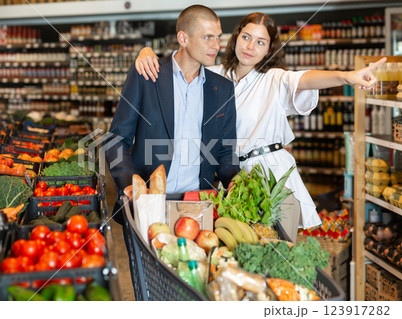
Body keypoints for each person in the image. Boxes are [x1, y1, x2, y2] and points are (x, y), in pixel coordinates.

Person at [134, 12, 386, 232]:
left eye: (260, 42)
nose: (250, 46)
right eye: (246, 37)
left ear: (269, 49)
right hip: (232, 175)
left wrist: (346, 76)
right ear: (235, 38)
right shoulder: (216, 75)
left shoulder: (274, 79)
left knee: (277, 245)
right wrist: (147, 53)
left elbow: (305, 79)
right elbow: (183, 59)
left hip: (270, 172)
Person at [104, 5, 240, 224]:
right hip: (147, 201)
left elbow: (225, 151)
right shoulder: (148, 75)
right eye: (207, 37)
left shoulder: (222, 89)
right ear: (183, 38)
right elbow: (116, 139)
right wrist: (129, 184)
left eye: (218, 37)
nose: (216, 46)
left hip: (197, 205)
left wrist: (235, 179)